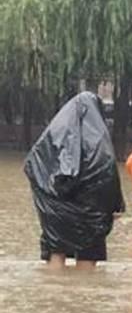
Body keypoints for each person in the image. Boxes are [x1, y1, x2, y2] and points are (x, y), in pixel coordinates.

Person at [23, 92, 125, 270]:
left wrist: (51, 198)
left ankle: (54, 287)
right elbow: (108, 176)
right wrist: (116, 205)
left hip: (57, 210)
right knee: (88, 250)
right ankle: (84, 290)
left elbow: (33, 166)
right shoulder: (100, 144)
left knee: (56, 247)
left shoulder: (51, 138)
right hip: (89, 211)